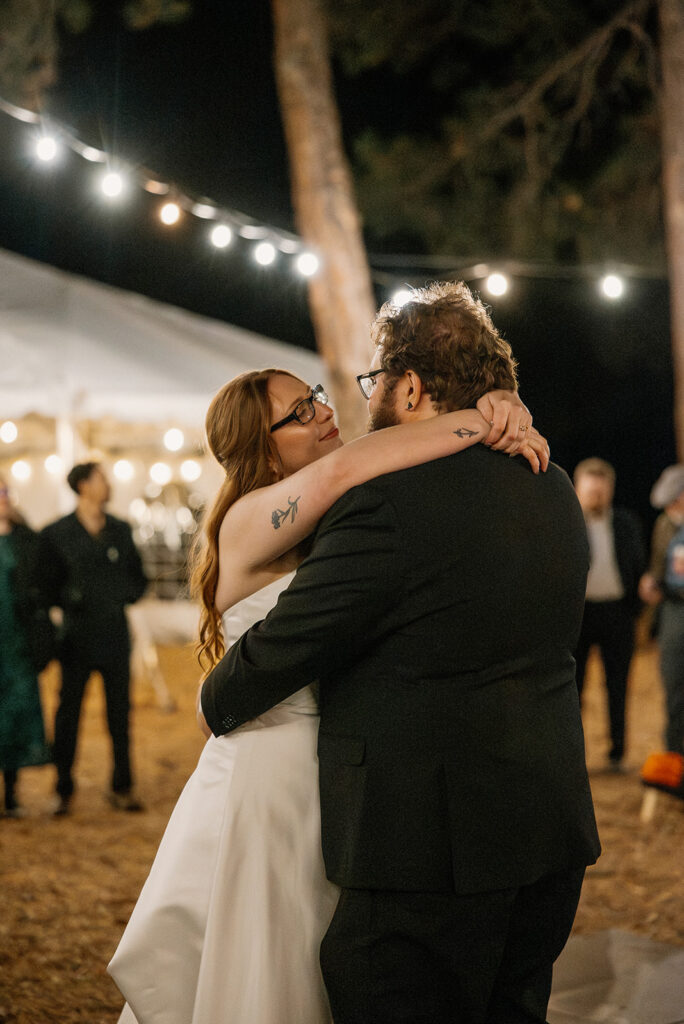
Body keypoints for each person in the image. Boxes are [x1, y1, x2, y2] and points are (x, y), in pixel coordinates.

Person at [201, 283, 601, 1024]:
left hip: (427, 855)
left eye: (373, 381)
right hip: (545, 830)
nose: (350, 405)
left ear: (410, 387)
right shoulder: (551, 485)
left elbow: (273, 659)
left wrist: (218, 695)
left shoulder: (386, 504)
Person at [108, 365, 548, 1024]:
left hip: (335, 761)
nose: (320, 412)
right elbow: (348, 468)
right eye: (298, 412)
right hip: (271, 772)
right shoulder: (251, 518)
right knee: (275, 965)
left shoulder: (327, 518)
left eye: (313, 396)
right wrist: (485, 419)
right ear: (261, 449)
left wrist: (502, 396)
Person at [39, 463, 147, 815]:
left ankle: (122, 785)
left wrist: (119, 596)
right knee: (68, 712)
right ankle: (63, 788)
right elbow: (45, 584)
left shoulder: (119, 529)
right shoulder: (57, 533)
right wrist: (72, 600)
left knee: (120, 712)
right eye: (102, 478)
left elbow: (138, 578)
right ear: (84, 486)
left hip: (114, 632)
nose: (109, 483)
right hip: (77, 636)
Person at [573, 458, 645, 771]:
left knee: (617, 686)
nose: (597, 497)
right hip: (577, 616)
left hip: (617, 615)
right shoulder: (566, 521)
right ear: (577, 490)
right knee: (572, 688)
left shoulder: (625, 522)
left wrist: (636, 609)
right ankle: (573, 757)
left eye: (601, 492)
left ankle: (617, 754)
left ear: (611, 490)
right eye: (590, 492)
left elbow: (638, 564)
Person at [0, 476, 52, 817]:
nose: (4, 497)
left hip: (15, 644)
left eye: (5, 491)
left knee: (14, 715)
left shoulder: (26, 539)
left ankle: (11, 793)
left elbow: (42, 585)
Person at [639, 464, 684, 756]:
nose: (671, 508)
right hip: (673, 612)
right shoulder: (665, 525)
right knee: (674, 684)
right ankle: (676, 757)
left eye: (676, 501)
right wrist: (650, 582)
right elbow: (658, 565)